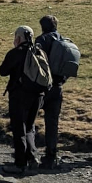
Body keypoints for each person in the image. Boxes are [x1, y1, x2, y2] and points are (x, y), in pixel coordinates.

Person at [0, 25, 44, 172]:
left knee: (19, 128)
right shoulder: (39, 51)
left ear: (18, 38)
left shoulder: (15, 53)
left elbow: (3, 71)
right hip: (38, 95)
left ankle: (20, 163)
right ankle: (33, 156)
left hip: (19, 95)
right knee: (30, 126)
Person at [36, 14, 70, 167]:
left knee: (28, 119)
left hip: (42, 87)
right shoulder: (64, 41)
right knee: (52, 122)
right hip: (58, 86)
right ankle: (51, 154)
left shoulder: (41, 40)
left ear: (42, 26)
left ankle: (27, 154)